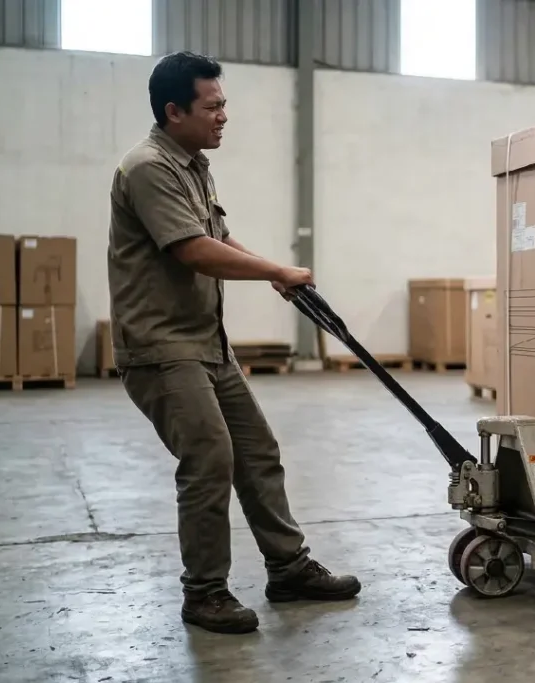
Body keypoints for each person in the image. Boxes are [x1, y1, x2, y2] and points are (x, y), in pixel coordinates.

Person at [106, 50, 361, 635]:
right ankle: (205, 594)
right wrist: (278, 268)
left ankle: (289, 568)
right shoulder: (147, 166)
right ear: (175, 111)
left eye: (225, 104)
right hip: (162, 348)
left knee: (257, 451)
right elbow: (191, 250)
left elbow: (218, 235)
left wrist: (273, 271)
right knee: (209, 460)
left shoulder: (193, 164)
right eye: (212, 105)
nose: (224, 115)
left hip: (206, 344)